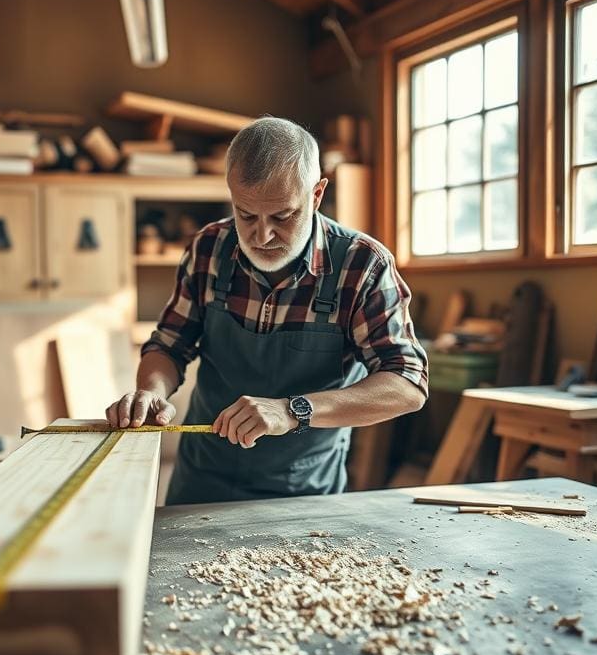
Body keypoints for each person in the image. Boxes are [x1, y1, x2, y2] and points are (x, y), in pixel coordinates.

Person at [106, 116, 428, 504]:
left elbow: (407, 384)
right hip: (201, 478)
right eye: (246, 214)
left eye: (282, 216)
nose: (261, 236)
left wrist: (295, 411)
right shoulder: (208, 248)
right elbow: (170, 345)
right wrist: (151, 392)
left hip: (303, 491)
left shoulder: (362, 265)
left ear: (316, 194)